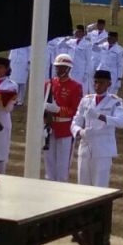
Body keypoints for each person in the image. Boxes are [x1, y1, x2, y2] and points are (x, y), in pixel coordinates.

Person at [71, 70, 123, 187]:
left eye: (101, 83)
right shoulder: (86, 100)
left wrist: (99, 116)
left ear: (109, 84)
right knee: (82, 185)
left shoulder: (115, 101)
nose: (97, 86)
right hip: (85, 147)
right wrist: (79, 131)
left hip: (103, 149)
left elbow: (121, 122)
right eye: (95, 82)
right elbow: (75, 121)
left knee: (99, 186)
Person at [43, 54, 82, 182]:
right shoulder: (49, 84)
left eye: (61, 67)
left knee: (62, 165)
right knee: (49, 162)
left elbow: (75, 110)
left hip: (64, 128)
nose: (58, 70)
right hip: (49, 126)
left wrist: (58, 110)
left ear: (68, 69)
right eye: (57, 67)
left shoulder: (75, 86)